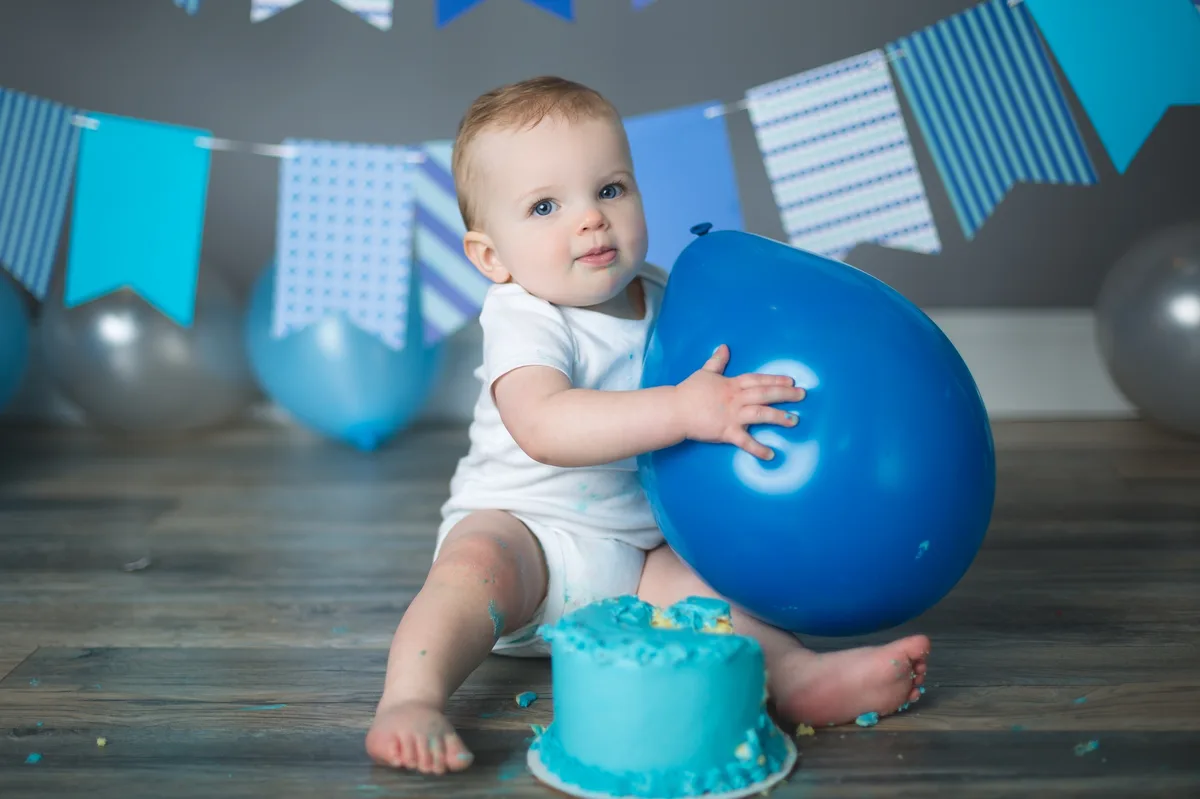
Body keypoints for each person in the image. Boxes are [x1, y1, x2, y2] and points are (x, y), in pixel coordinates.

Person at [366, 76, 929, 774]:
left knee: (718, 595)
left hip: (638, 555)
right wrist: (687, 409)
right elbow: (544, 424)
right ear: (491, 257)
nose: (591, 220)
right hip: (525, 531)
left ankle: (797, 677)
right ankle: (410, 698)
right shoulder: (525, 312)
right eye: (545, 206)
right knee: (470, 568)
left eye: (610, 189)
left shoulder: (668, 297)